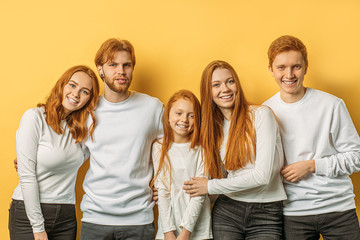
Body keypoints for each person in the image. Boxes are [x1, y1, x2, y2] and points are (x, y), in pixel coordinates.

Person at [263, 35, 360, 239]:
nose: (289, 74)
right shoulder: (265, 112)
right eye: (281, 67)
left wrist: (311, 165)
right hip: (293, 213)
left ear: (306, 67)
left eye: (296, 66)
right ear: (271, 69)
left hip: (338, 209)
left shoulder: (332, 105)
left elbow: (356, 157)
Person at [183, 60, 287, 239]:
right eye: (216, 85)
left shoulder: (261, 115)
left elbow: (262, 176)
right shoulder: (214, 128)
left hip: (267, 212)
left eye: (230, 81)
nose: (225, 89)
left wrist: (210, 186)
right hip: (227, 211)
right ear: (208, 92)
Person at [79, 38, 163, 240]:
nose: (121, 71)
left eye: (127, 65)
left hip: (139, 219)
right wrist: (36, 163)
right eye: (113, 65)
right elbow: (68, 153)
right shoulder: (86, 111)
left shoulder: (152, 107)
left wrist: (166, 185)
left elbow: (175, 148)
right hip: (95, 219)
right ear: (100, 69)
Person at [9, 65, 100, 240]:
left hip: (66, 215)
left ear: (90, 99)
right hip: (29, 214)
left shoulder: (81, 131)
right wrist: (37, 227)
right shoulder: (34, 118)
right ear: (62, 85)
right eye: (72, 85)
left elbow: (107, 151)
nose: (76, 94)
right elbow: (27, 175)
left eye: (84, 91)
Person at [152, 90, 212, 240]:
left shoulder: (202, 149)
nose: (184, 119)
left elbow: (199, 193)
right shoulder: (159, 147)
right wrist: (168, 231)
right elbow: (162, 191)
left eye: (191, 116)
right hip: (167, 232)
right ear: (168, 116)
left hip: (199, 231)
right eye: (179, 113)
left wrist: (186, 232)